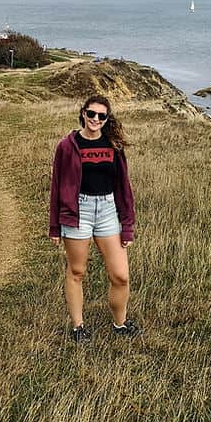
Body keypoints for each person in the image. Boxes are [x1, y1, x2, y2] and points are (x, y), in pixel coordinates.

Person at [49, 94, 140, 343]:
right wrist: (55, 227)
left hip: (108, 211)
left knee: (121, 275)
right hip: (78, 211)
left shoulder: (114, 146)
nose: (95, 119)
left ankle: (120, 324)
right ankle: (79, 327)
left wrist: (127, 225)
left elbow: (124, 187)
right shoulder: (67, 146)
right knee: (77, 271)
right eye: (91, 114)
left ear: (106, 118)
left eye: (101, 115)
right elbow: (57, 186)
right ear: (83, 113)